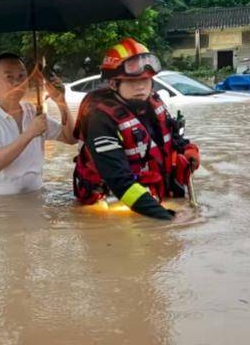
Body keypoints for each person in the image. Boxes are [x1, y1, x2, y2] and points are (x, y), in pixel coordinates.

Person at [72, 38, 201, 220]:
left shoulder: (152, 103)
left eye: (145, 80)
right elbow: (120, 182)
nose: (141, 87)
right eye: (132, 81)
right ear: (113, 84)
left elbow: (170, 136)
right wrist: (167, 218)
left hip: (154, 196)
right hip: (116, 203)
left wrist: (186, 148)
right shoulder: (99, 119)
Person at [0, 53, 76, 195]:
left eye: (21, 76)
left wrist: (61, 102)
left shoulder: (33, 112)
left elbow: (71, 138)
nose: (17, 83)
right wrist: (30, 133)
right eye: (9, 77)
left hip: (36, 196)